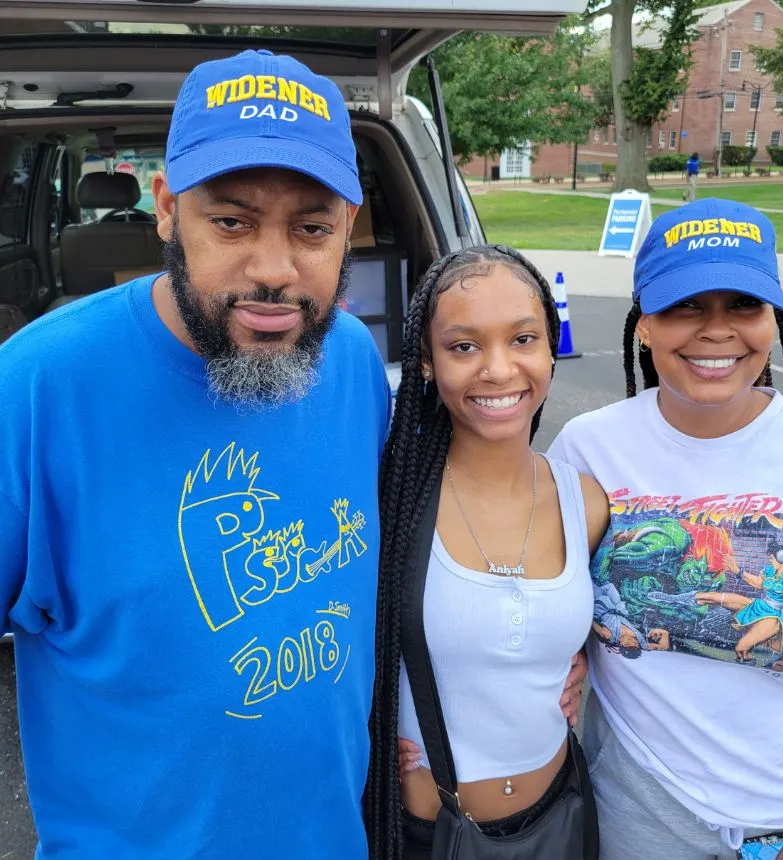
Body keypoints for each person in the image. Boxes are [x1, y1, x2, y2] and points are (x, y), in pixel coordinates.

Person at [0, 49, 392, 858]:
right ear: (167, 208)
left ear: (348, 226)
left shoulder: (350, 361)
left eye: (312, 227)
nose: (274, 272)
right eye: (232, 222)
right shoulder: (38, 387)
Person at [549, 198, 783, 859]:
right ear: (642, 325)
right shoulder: (586, 450)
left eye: (743, 307)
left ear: (773, 321)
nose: (715, 331)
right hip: (638, 814)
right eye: (685, 306)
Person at [365, 245, 608, 859]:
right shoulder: (387, 498)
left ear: (551, 348)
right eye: (464, 346)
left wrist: (577, 662)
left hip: (560, 817)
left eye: (523, 339)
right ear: (425, 362)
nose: (499, 370)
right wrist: (362, 724)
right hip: (430, 833)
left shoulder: (587, 503)